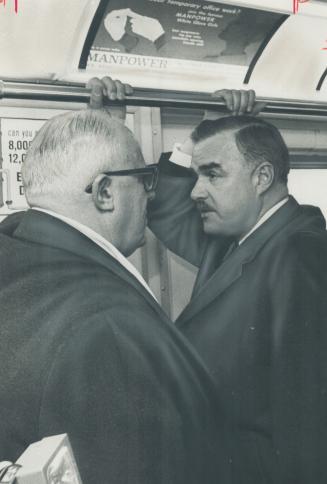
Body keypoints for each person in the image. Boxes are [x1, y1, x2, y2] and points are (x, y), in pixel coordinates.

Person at [0, 92, 230, 484]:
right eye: (144, 180)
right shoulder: (108, 327)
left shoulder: (17, 256)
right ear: (105, 192)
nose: (151, 194)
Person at [147, 98, 327, 484]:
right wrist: (202, 134)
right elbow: (164, 210)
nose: (196, 192)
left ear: (261, 178)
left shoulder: (300, 254)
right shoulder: (235, 237)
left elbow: (307, 421)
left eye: (212, 175)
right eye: (197, 176)